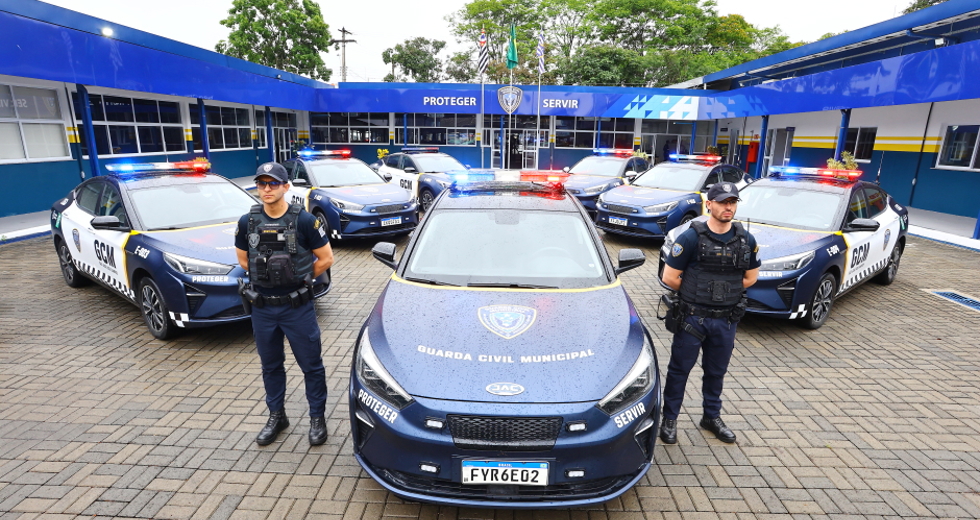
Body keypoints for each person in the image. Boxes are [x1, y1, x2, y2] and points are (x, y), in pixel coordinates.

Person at [235, 162, 335, 446]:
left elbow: (326, 259)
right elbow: (243, 260)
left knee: (311, 366)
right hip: (262, 309)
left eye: (273, 183)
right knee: (271, 366)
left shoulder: (304, 221)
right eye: (262, 183)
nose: (266, 189)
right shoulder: (247, 221)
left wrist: (301, 277)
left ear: (285, 186)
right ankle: (277, 416)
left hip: (297, 308)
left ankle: (317, 418)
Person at [659, 181, 760, 444]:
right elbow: (669, 277)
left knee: (716, 372)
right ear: (709, 204)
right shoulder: (691, 237)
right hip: (693, 318)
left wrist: (723, 292)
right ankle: (669, 419)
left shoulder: (746, 239)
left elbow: (750, 278)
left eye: (733, 202)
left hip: (725, 321)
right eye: (723, 202)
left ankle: (711, 417)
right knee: (679, 371)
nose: (729, 207)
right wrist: (696, 292)